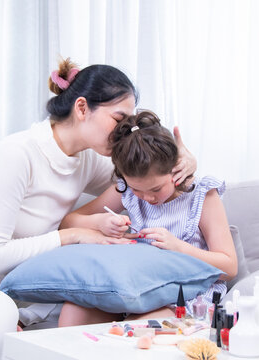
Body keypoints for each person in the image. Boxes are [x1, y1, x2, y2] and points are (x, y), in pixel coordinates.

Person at [0, 58, 196, 359]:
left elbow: (144, 176)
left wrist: (184, 160)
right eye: (119, 120)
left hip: (10, 294)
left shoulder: (87, 159)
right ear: (81, 108)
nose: (125, 131)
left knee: (88, 316)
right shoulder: (17, 153)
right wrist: (72, 235)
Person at [58, 110, 237, 327]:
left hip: (183, 294)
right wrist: (99, 223)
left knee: (141, 326)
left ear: (176, 169)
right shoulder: (126, 191)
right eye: (137, 189)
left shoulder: (202, 195)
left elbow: (230, 267)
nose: (147, 198)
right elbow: (68, 222)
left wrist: (179, 248)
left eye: (156, 188)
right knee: (74, 311)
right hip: (133, 288)